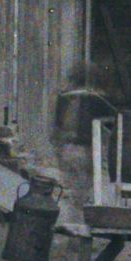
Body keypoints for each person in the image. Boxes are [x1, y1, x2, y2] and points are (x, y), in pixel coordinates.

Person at [52, 63, 116, 210]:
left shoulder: (64, 98)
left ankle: (72, 217)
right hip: (87, 149)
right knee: (84, 188)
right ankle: (79, 220)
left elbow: (57, 125)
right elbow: (114, 119)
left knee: (71, 187)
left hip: (67, 148)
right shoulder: (97, 99)